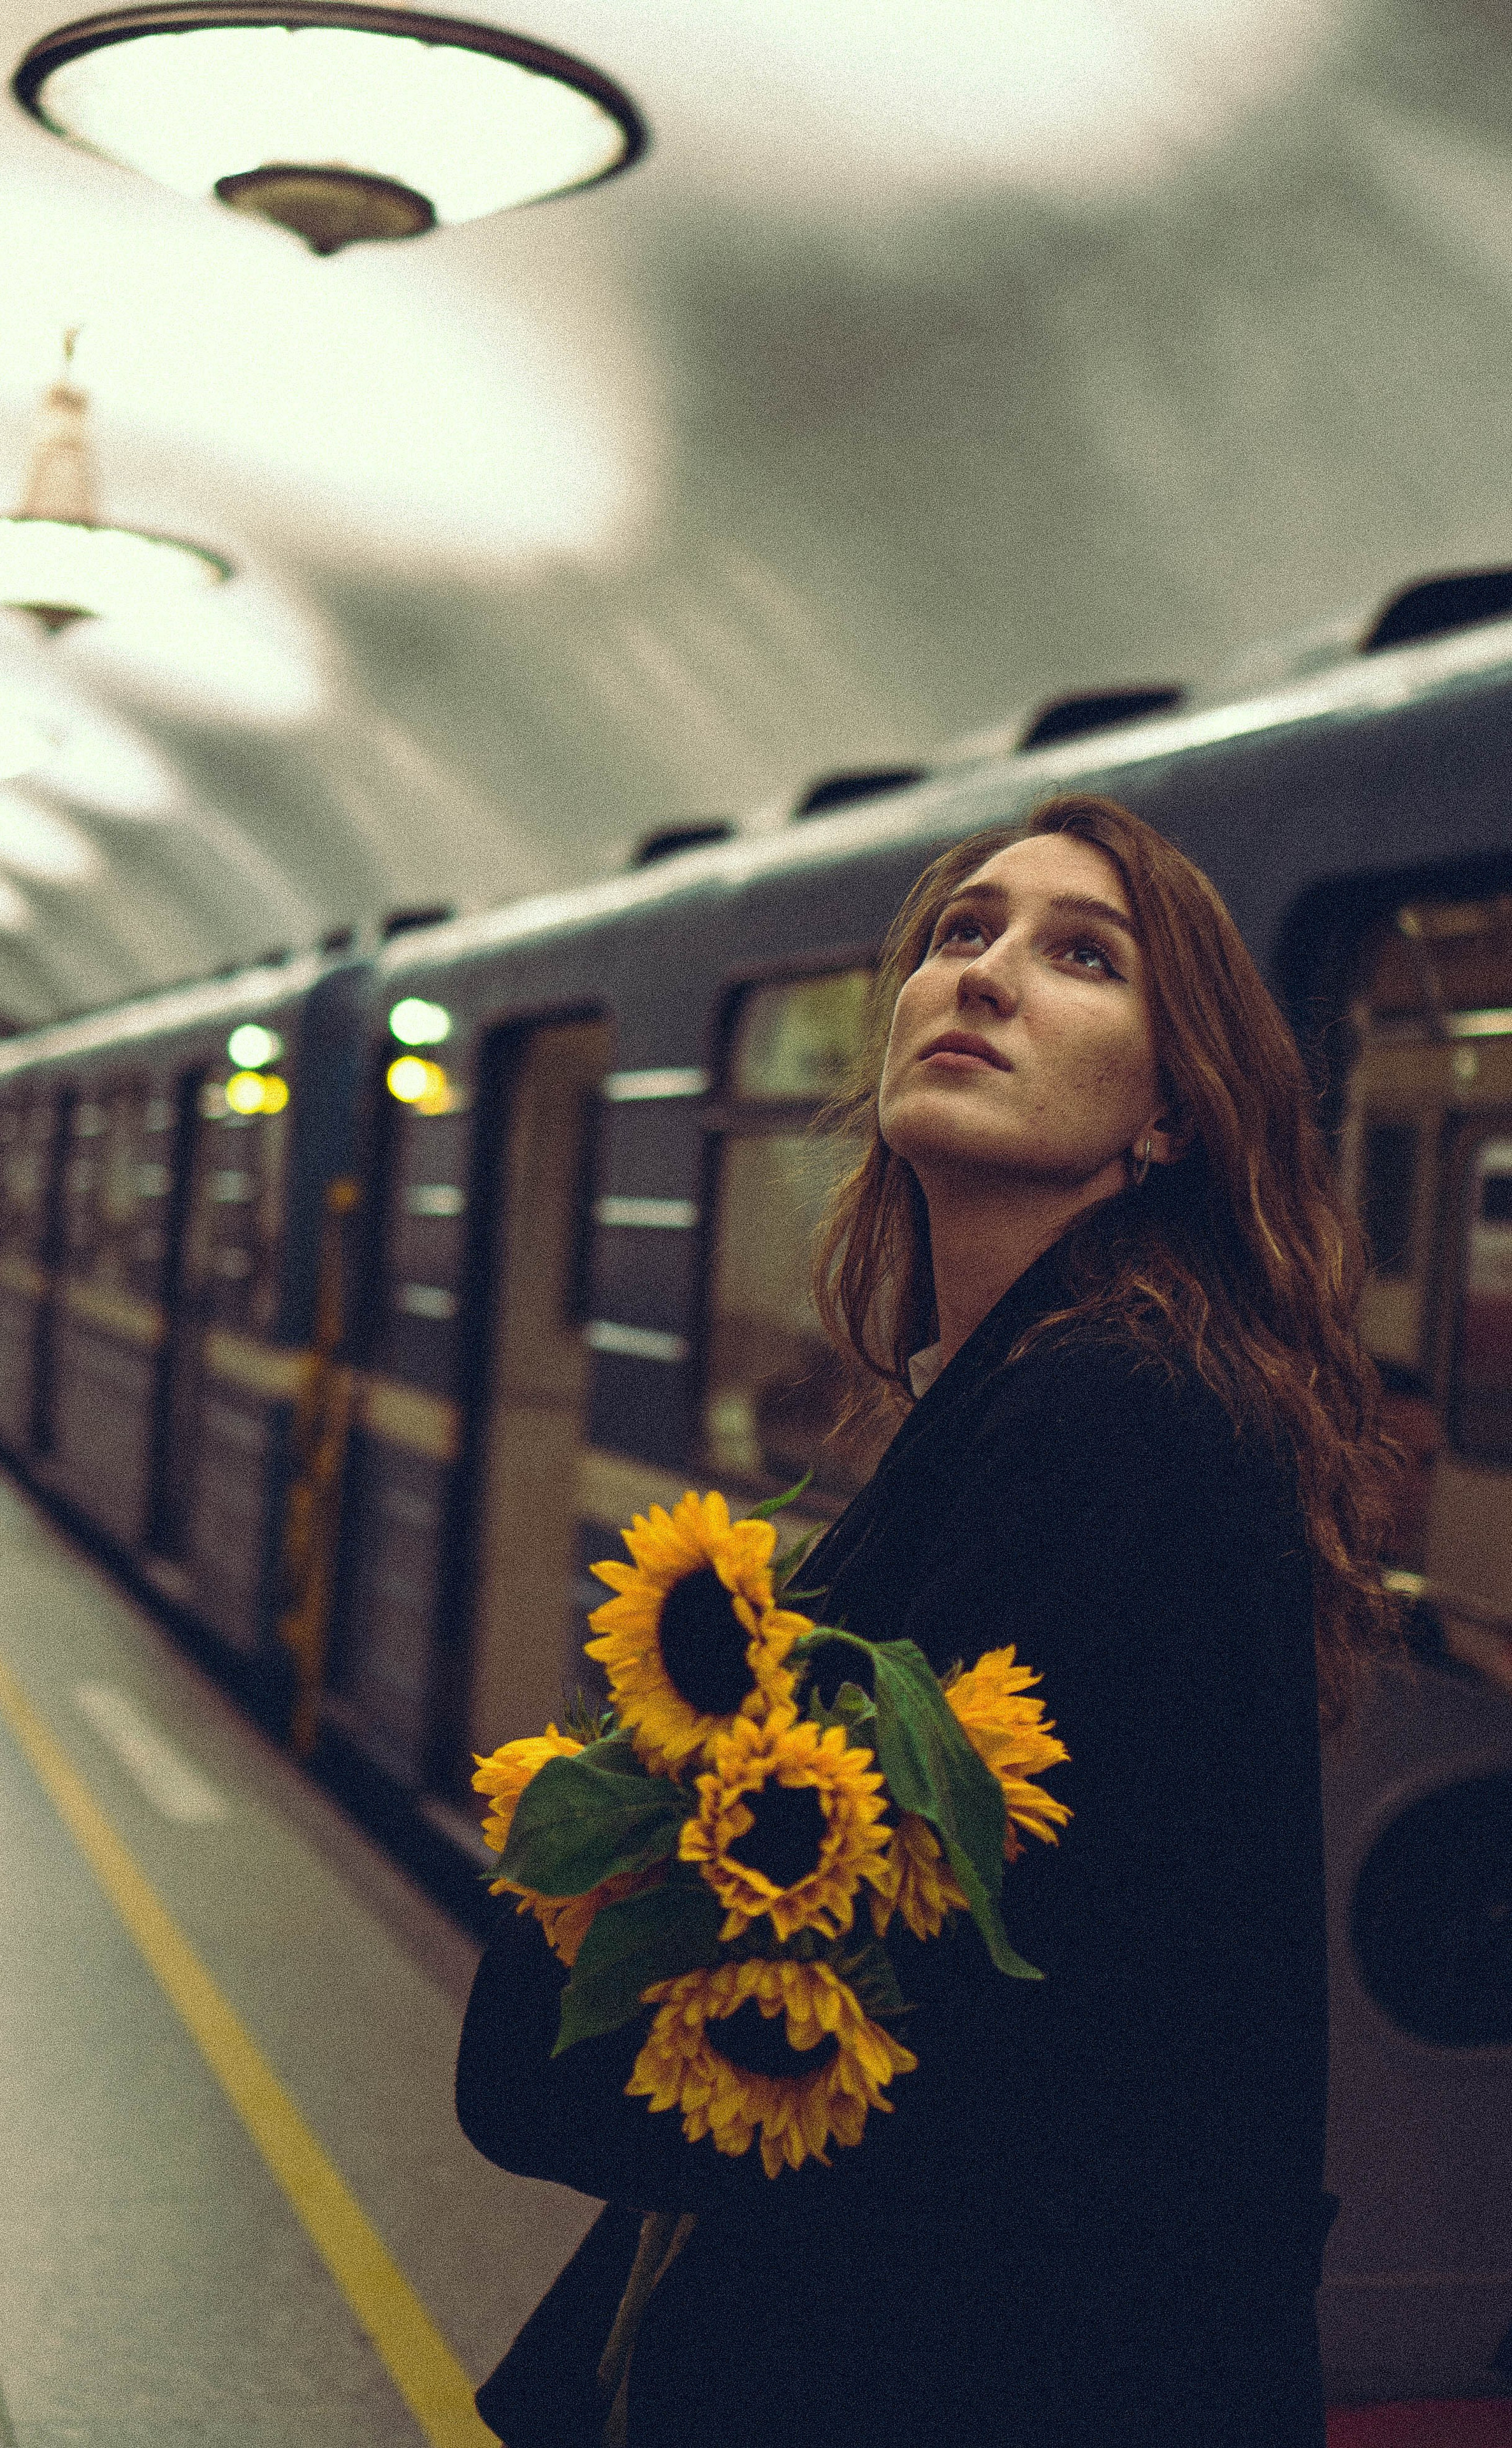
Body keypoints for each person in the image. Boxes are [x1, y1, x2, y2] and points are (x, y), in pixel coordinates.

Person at [455, 792, 1409, 2448]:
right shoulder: (1042, 1383)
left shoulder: (1114, 1410)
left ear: (1171, 1117)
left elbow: (931, 2019)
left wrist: (565, 1991)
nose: (986, 975)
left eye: (1081, 956)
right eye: (962, 932)